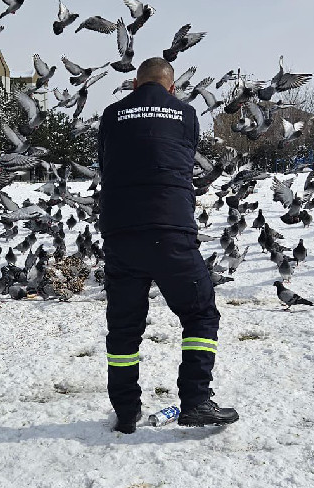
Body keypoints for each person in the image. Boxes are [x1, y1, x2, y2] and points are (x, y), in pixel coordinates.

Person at [98, 57, 239, 434]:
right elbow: (182, 158)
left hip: (121, 232)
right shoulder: (186, 114)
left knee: (124, 326)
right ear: (171, 87)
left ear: (133, 84)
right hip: (170, 229)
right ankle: (195, 401)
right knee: (199, 315)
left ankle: (126, 411)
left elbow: (105, 161)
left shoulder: (111, 115)